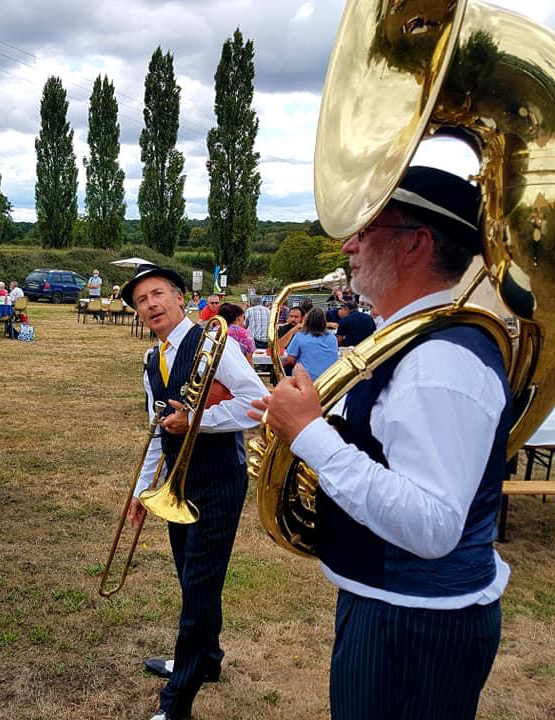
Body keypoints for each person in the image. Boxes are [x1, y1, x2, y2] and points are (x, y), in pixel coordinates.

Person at [250, 167, 510, 720]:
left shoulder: (439, 364)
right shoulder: (417, 344)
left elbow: (433, 525)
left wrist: (310, 434)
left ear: (416, 244)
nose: (349, 244)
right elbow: (391, 450)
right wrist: (306, 421)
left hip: (413, 624)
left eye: (366, 230)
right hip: (397, 608)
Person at [121, 264, 266, 720]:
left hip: (219, 481)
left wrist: (198, 421)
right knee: (192, 580)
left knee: (199, 586)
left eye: (157, 294)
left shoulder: (213, 343)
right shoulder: (152, 360)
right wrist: (142, 490)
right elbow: (158, 431)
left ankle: (176, 703)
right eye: (141, 301)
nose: (151, 305)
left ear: (180, 298)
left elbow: (257, 405)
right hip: (178, 485)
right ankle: (207, 660)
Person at [283, 307, 339, 380]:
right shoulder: (332, 337)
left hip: (306, 378)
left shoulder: (300, 336)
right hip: (328, 378)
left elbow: (290, 360)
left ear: (307, 320)